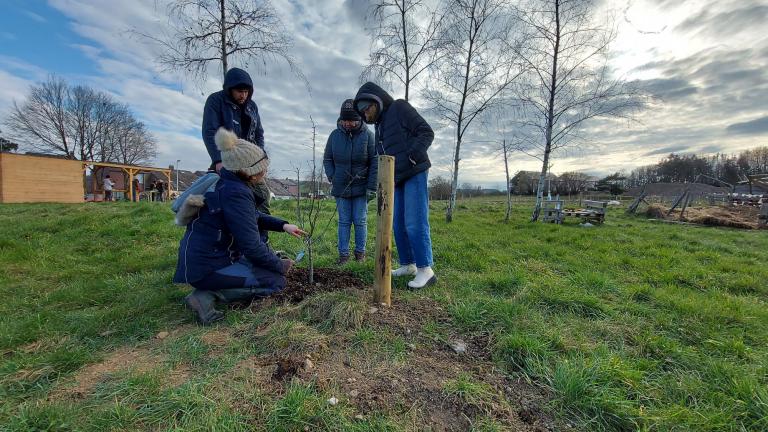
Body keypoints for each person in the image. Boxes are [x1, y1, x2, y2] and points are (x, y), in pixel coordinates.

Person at [173, 127, 306, 325]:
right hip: (209, 267)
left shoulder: (227, 183)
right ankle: (207, 295)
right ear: (247, 171)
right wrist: (280, 266)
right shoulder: (236, 193)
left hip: (208, 260)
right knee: (276, 282)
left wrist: (283, 225)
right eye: (261, 168)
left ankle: (213, 287)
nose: (265, 171)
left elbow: (252, 216)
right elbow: (251, 247)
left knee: (265, 268)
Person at [354, 82, 437, 289]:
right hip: (395, 178)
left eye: (366, 109)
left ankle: (425, 270)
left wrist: (411, 157)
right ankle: (408, 264)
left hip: (414, 172)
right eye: (361, 112)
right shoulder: (379, 125)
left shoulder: (399, 107)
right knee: (398, 223)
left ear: (376, 101)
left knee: (414, 221)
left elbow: (426, 132)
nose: (365, 115)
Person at [202, 67, 271, 215]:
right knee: (233, 200)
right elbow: (210, 132)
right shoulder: (215, 101)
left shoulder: (252, 106)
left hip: (251, 162)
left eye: (246, 92)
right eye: (240, 91)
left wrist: (260, 160)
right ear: (230, 89)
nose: (243, 95)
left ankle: (262, 237)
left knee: (263, 196)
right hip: (229, 162)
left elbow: (259, 133)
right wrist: (218, 160)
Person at [323, 99, 377, 264]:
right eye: (345, 120)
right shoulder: (334, 135)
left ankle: (360, 254)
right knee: (344, 221)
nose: (348, 123)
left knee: (360, 220)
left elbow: (375, 161)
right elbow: (328, 158)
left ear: (359, 118)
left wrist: (371, 186)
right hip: (341, 186)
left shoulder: (368, 136)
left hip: (362, 187)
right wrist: (332, 176)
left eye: (351, 120)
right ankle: (343, 255)